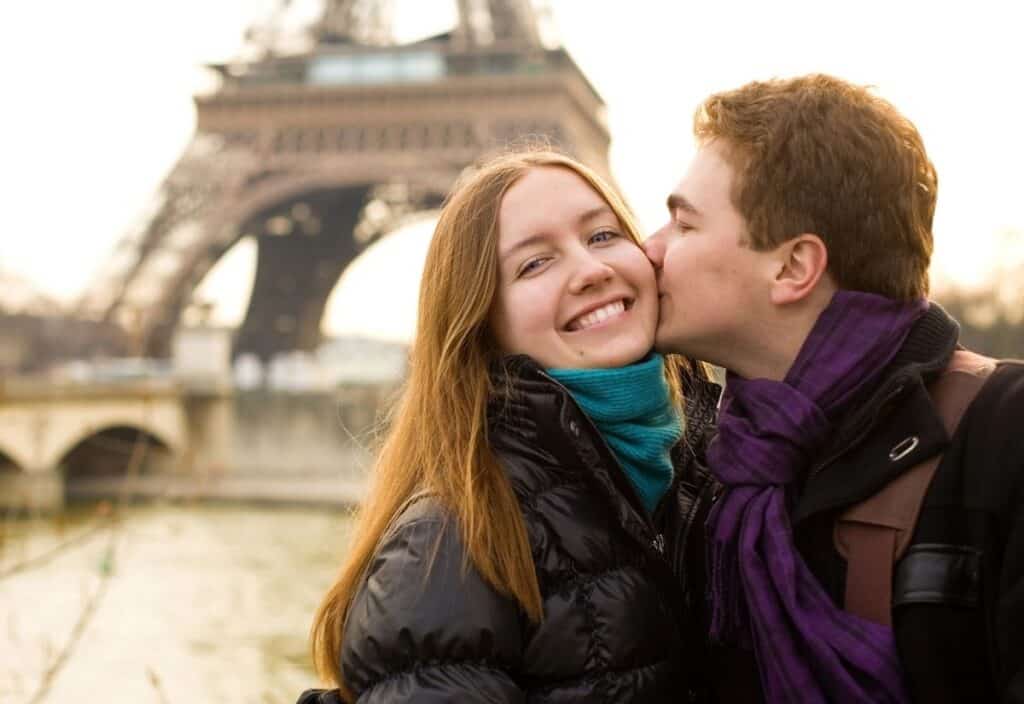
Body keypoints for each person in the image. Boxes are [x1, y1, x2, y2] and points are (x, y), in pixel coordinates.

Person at [645, 73, 1024, 703]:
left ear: (793, 267)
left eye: (683, 226)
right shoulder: (710, 475)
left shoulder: (1006, 436)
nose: (648, 249)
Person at [300, 149, 713, 703]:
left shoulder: (707, 472)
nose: (592, 270)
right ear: (482, 323)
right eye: (534, 263)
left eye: (603, 236)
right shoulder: (449, 540)